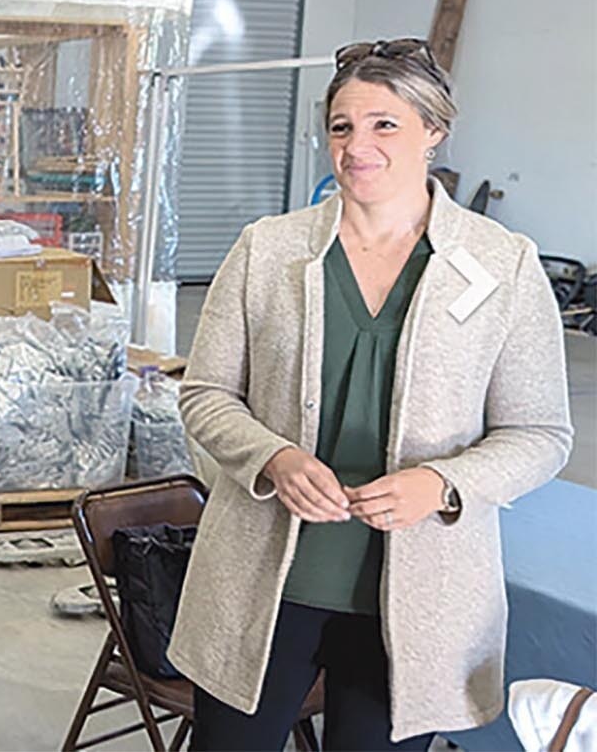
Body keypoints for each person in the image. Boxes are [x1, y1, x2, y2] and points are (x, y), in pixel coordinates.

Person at [168, 38, 573, 749]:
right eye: (342, 125)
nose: (358, 145)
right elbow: (206, 393)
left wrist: (444, 483)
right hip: (266, 582)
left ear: (434, 129)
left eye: (385, 123)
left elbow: (540, 432)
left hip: (416, 598)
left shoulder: (501, 265)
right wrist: (272, 459)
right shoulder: (268, 250)